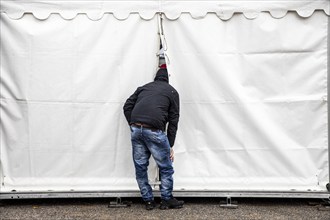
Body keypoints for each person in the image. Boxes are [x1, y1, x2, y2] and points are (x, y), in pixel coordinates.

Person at [123, 64, 184, 210]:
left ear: (155, 78)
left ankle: (148, 200)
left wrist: (134, 123)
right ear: (168, 78)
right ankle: (166, 199)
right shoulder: (172, 92)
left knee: (140, 166)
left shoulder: (143, 87)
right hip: (154, 131)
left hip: (137, 129)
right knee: (166, 167)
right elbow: (174, 121)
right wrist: (170, 145)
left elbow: (127, 106)